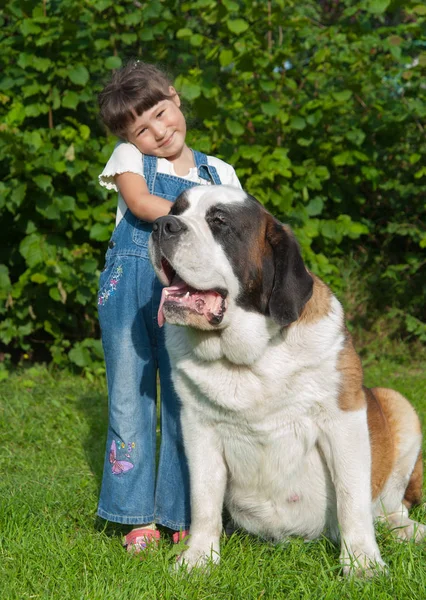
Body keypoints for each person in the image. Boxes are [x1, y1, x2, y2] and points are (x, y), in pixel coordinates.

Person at [96, 60, 242, 554]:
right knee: (129, 396)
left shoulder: (220, 171)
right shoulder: (129, 159)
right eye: (142, 128)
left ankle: (182, 512)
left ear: (176, 100)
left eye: (161, 113)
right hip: (132, 287)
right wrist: (204, 218)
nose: (158, 131)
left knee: (189, 397)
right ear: (128, 137)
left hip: (190, 287)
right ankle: (134, 514)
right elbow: (140, 205)